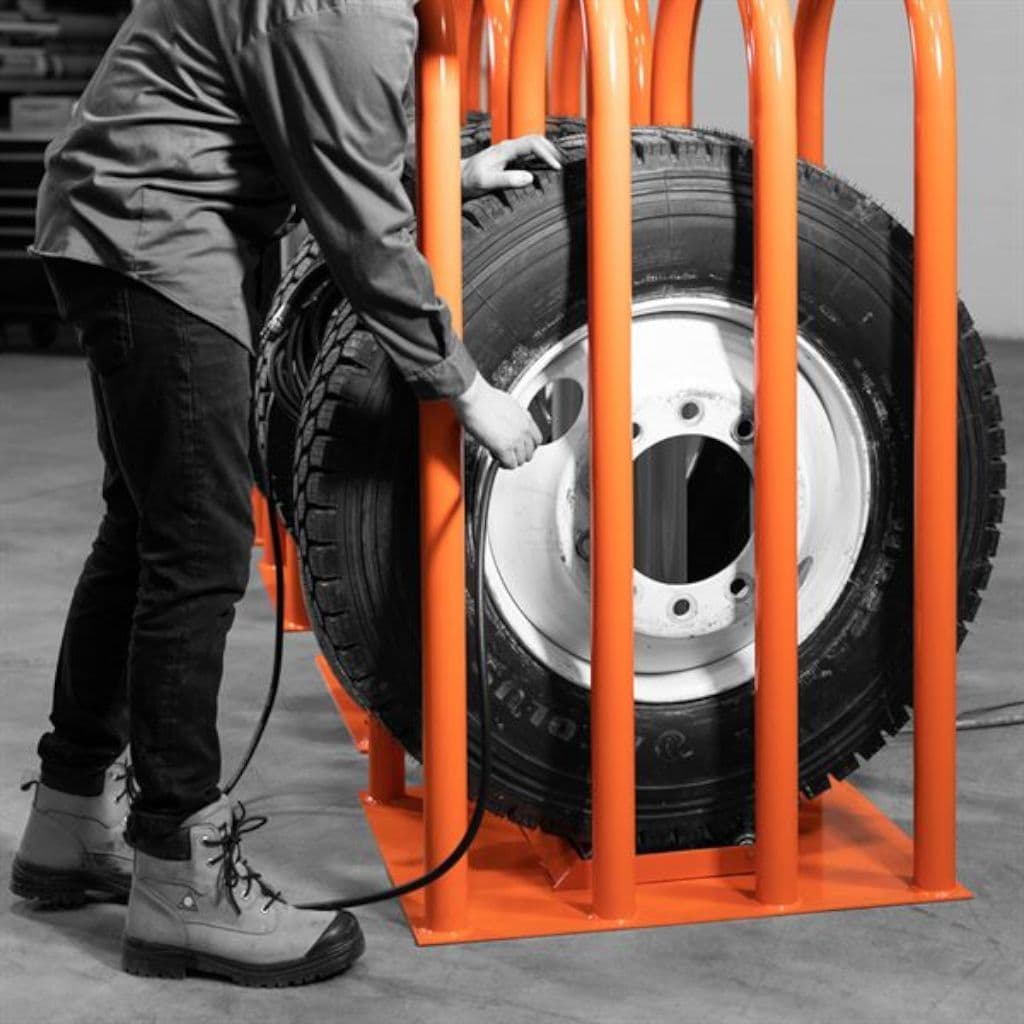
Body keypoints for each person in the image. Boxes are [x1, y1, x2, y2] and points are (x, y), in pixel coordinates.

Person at [10, 0, 557, 987]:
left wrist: (451, 172)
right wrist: (465, 388)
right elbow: (361, 231)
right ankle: (180, 878)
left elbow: (311, 120)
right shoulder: (352, 9)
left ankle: (68, 818)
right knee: (199, 549)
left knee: (144, 530)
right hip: (155, 234)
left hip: (115, 213)